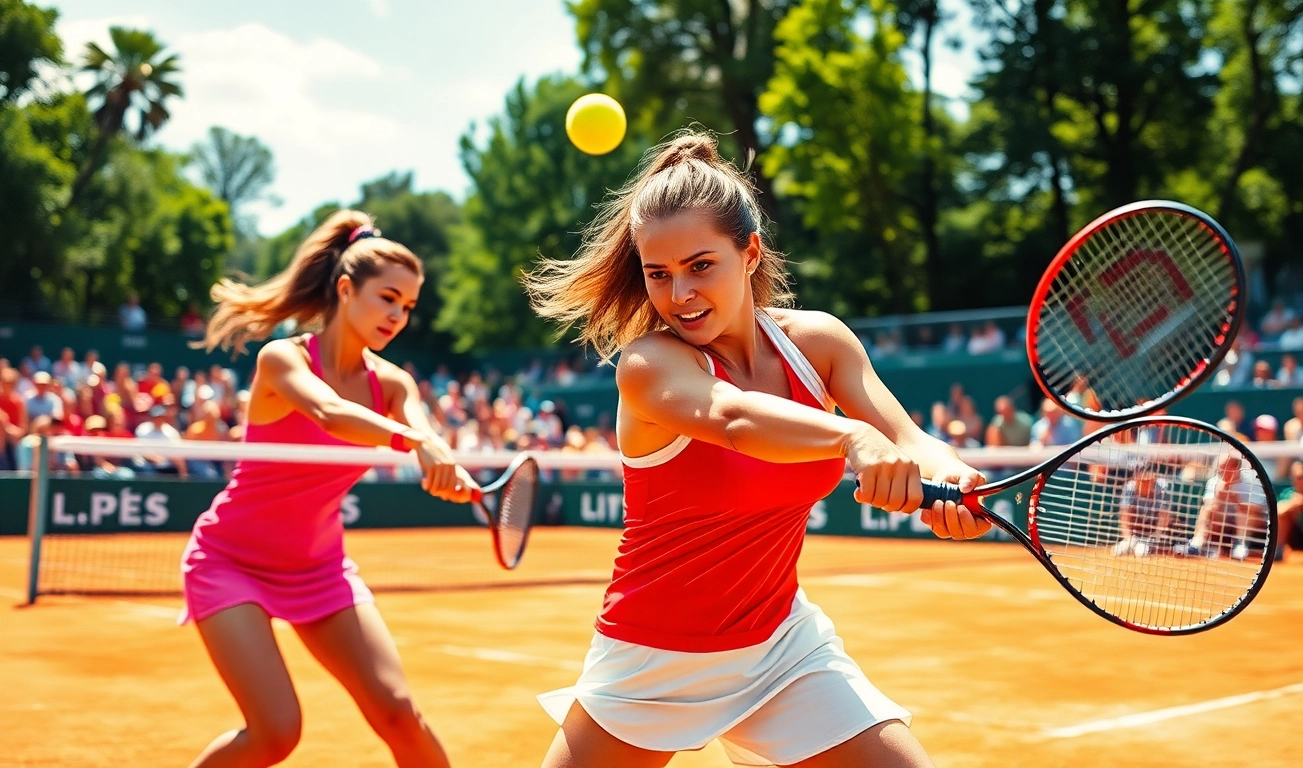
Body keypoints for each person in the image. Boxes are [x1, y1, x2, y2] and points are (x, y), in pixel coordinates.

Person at [523, 133, 989, 768]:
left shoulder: (819, 343)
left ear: (749, 252)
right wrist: (852, 439)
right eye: (658, 274)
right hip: (654, 657)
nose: (679, 294)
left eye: (700, 265)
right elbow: (731, 416)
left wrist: (954, 477)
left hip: (781, 648)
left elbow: (912, 438)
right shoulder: (648, 364)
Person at [182, 210, 476, 768]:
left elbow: (427, 434)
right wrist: (416, 442)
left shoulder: (393, 383)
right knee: (275, 733)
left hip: (320, 569)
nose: (398, 315)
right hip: (230, 561)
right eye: (388, 298)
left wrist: (445, 466)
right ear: (346, 289)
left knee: (399, 713)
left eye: (407, 306)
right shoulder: (283, 358)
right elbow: (328, 410)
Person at [1175, 455, 1266, 561]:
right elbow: (1210, 504)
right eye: (1220, 468)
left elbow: (1257, 510)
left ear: (1235, 468)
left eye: (1224, 468)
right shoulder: (1214, 481)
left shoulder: (1252, 481)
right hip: (1221, 522)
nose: (1220, 471)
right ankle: (1197, 543)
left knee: (1242, 512)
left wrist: (1236, 501)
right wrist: (1219, 497)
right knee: (1206, 510)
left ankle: (1240, 545)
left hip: (1248, 523)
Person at [1111, 466, 1173, 558]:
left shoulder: (1162, 488)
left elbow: (1164, 518)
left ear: (1153, 479)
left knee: (1141, 552)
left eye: (1147, 480)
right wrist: (1129, 539)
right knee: (1117, 551)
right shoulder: (1129, 488)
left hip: (1154, 532)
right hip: (1135, 531)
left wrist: (1154, 539)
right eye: (1141, 479)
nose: (1144, 482)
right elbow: (1125, 516)